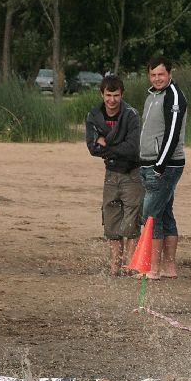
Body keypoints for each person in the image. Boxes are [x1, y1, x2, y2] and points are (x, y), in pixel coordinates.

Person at [85, 75, 143, 276]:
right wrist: (117, 146)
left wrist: (107, 144)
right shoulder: (94, 115)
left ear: (122, 95)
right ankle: (114, 268)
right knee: (111, 222)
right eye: (108, 95)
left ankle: (131, 266)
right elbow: (92, 148)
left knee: (132, 222)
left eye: (116, 95)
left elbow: (134, 148)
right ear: (102, 94)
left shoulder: (131, 115)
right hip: (110, 174)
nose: (112, 100)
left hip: (133, 174)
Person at [139, 56, 187, 280]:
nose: (157, 78)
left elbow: (173, 133)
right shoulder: (151, 96)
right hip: (148, 163)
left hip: (165, 166)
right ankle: (169, 267)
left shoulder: (174, 96)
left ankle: (153, 268)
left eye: (161, 74)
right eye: (153, 75)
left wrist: (160, 165)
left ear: (169, 74)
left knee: (151, 214)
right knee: (165, 214)